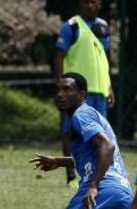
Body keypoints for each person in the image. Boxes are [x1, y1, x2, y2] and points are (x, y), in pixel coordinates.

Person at [30, 72, 132, 209]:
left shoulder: (81, 115)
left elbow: (107, 146)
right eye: (58, 90)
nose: (60, 94)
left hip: (104, 189)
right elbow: (93, 158)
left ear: (82, 95)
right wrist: (58, 161)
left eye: (67, 89)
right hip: (122, 192)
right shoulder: (90, 115)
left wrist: (93, 186)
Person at [54, 0, 115, 186]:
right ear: (80, 4)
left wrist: (109, 86)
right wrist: (62, 86)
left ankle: (99, 173)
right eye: (85, 1)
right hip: (76, 91)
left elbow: (104, 58)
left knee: (101, 133)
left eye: (93, 2)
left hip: (98, 89)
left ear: (99, 4)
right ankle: (71, 176)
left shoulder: (104, 27)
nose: (90, 5)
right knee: (70, 131)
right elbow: (59, 55)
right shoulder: (71, 26)